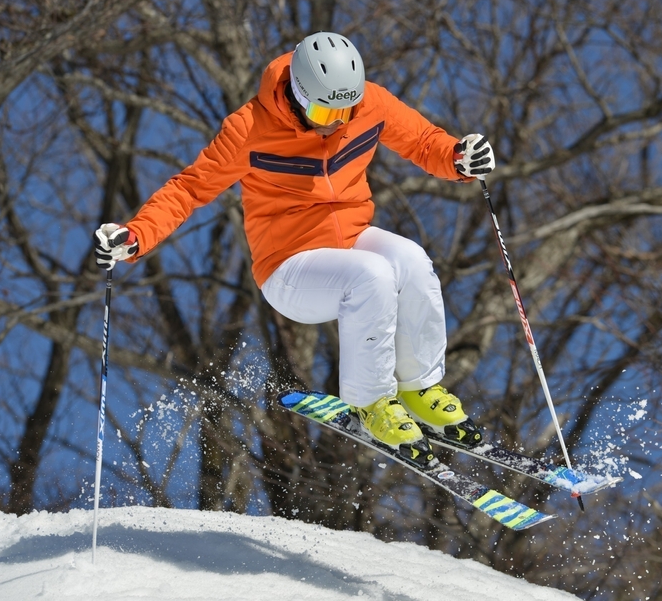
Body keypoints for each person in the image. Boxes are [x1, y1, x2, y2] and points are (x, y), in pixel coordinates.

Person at [93, 31, 495, 465]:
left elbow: (421, 141)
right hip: (289, 268)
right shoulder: (248, 129)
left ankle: (419, 388)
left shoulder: (371, 104)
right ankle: (373, 403)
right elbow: (189, 190)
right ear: (297, 93)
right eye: (324, 110)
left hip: (351, 239)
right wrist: (136, 236)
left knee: (412, 261)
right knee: (373, 275)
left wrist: (458, 159)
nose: (335, 122)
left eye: (345, 109)